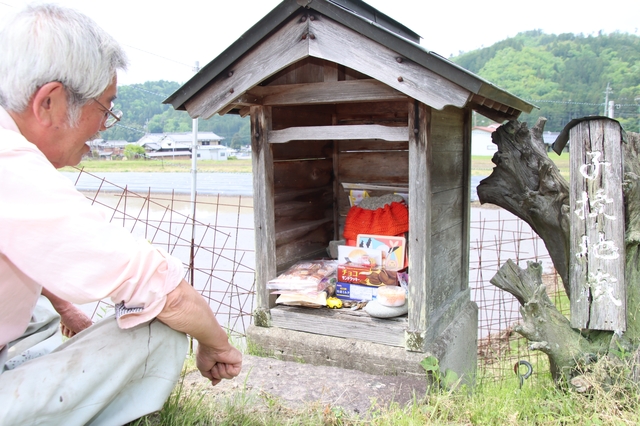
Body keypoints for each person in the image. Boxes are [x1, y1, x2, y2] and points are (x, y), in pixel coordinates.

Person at [0, 3, 242, 424]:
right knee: (161, 328)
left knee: (38, 306)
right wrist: (217, 346)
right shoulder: (13, 167)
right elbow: (161, 288)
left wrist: (67, 307)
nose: (103, 127)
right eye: (106, 108)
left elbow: (25, 242)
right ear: (50, 103)